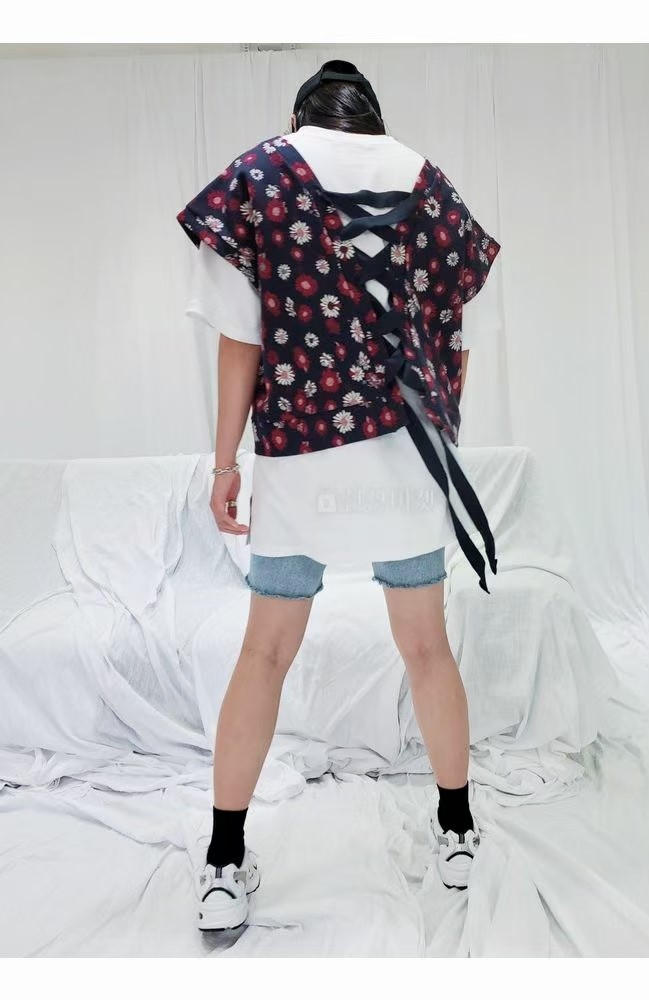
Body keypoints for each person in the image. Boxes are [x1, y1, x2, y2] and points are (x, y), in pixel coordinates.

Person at [177, 60, 501, 931]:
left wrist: (224, 466)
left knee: (264, 654)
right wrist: (434, 442)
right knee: (427, 648)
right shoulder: (428, 182)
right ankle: (458, 832)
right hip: (404, 463)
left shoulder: (259, 176)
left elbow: (240, 341)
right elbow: (460, 338)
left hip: (299, 461)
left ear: (301, 118)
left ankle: (223, 861)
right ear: (372, 119)